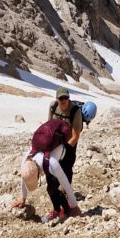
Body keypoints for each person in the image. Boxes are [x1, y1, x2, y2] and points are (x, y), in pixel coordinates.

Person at [11, 117, 82, 219]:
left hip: (64, 153)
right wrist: (23, 198)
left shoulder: (52, 164)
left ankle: (66, 210)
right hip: (49, 156)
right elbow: (25, 177)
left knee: (53, 188)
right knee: (51, 189)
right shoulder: (27, 160)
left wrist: (75, 205)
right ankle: (58, 210)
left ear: (38, 175)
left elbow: (65, 182)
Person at [43, 87, 83, 222]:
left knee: (65, 175)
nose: (64, 100)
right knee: (52, 181)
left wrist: (64, 149)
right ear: (57, 99)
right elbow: (48, 127)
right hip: (55, 146)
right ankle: (59, 208)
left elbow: (76, 135)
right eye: (61, 98)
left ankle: (66, 208)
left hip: (69, 147)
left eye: (66, 97)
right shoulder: (53, 107)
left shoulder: (75, 111)